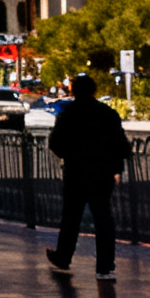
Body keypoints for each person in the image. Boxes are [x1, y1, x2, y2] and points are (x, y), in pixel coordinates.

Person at [48, 73, 131, 278]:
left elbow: (55, 142)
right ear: (94, 91)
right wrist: (114, 167)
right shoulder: (108, 114)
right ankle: (105, 265)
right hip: (101, 173)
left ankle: (64, 256)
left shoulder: (68, 114)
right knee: (103, 218)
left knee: (71, 216)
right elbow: (121, 145)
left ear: (73, 91)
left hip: (76, 171)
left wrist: (69, 156)